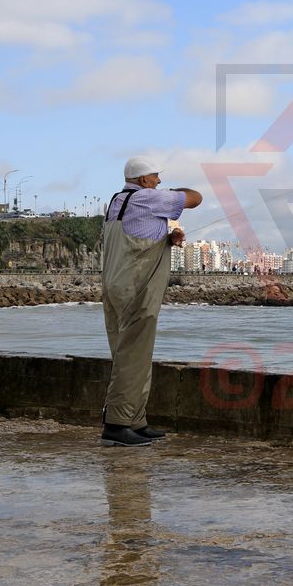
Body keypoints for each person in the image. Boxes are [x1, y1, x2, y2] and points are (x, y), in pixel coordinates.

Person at [100, 155, 202, 447]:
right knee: (132, 357)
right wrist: (171, 194)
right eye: (155, 177)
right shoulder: (148, 198)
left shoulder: (117, 202)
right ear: (144, 181)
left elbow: (138, 238)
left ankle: (135, 421)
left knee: (132, 353)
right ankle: (117, 425)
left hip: (115, 288)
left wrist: (168, 239)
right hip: (137, 290)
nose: (159, 181)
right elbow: (195, 198)